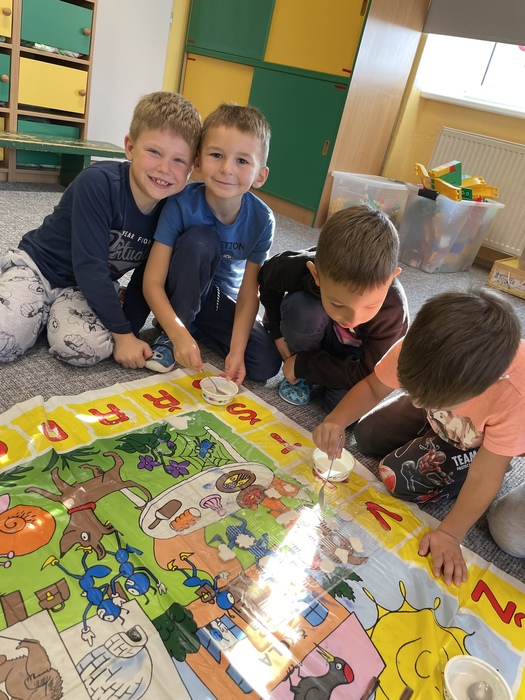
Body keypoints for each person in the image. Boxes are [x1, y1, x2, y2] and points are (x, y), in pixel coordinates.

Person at [312, 287, 525, 587]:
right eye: (412, 392)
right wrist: (336, 420)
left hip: (482, 444)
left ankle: (462, 448)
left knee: (398, 478)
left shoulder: (513, 395)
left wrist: (449, 534)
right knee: (366, 435)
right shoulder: (422, 347)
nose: (415, 401)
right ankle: (435, 413)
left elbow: (486, 474)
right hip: (445, 408)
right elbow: (373, 387)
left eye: (428, 398)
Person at [0, 91, 202, 369]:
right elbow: (89, 267)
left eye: (179, 160)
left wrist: (130, 331)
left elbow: (146, 276)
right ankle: (27, 302)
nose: (164, 168)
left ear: (191, 168)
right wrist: (122, 335)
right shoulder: (97, 183)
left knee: (88, 349)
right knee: (5, 338)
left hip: (80, 291)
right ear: (130, 147)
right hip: (39, 269)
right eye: (154, 152)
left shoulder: (172, 210)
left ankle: (42, 315)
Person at [143, 102, 282, 384]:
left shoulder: (262, 220)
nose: (226, 169)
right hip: (179, 290)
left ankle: (191, 325)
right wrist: (177, 333)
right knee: (202, 240)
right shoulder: (180, 204)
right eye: (216, 155)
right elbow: (152, 282)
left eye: (242, 161)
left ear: (260, 175)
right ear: (198, 161)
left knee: (265, 363)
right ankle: (176, 329)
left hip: (218, 300)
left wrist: (237, 351)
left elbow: (248, 293)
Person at [257, 205, 409, 410]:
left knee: (340, 406)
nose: (353, 319)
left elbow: (368, 372)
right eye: (338, 304)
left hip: (354, 359)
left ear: (391, 279)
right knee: (302, 309)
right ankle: (305, 374)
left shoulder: (394, 312)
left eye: (370, 305)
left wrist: (305, 365)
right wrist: (276, 332)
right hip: (319, 334)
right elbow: (267, 278)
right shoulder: (297, 267)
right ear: (316, 275)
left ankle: (312, 372)